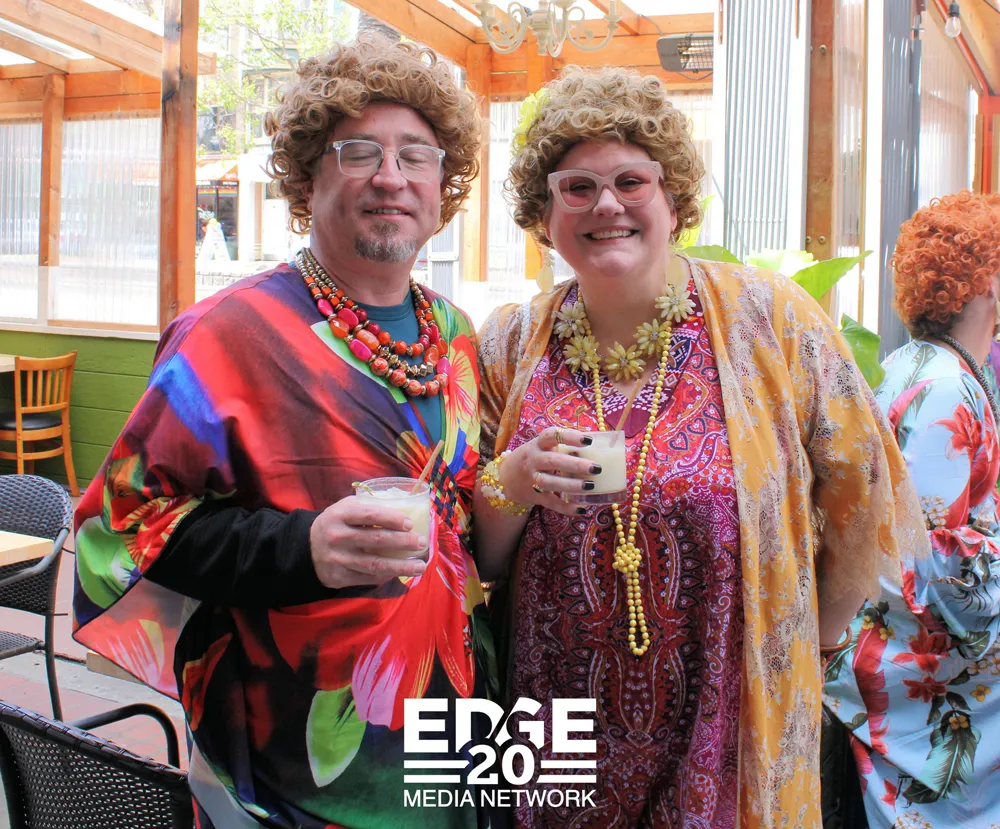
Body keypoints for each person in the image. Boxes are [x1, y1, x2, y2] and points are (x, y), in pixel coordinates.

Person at [475, 66, 926, 829]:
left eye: (630, 181)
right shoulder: (511, 345)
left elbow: (863, 490)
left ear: (673, 198)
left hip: (728, 725)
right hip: (556, 733)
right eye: (577, 187)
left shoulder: (771, 321)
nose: (606, 204)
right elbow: (478, 560)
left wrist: (808, 644)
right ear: (544, 212)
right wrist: (511, 481)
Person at [72, 36, 497, 828]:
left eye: (417, 155)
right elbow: (115, 529)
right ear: (308, 178)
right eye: (359, 151)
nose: (391, 176)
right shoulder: (228, 334)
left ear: (444, 184)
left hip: (444, 739)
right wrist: (302, 550)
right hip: (283, 767)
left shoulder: (455, 334)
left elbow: (465, 519)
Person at [825, 191, 1000, 828]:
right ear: (988, 281)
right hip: (911, 664)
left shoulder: (910, 365)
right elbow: (933, 554)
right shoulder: (949, 386)